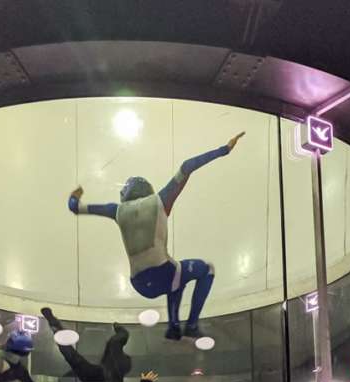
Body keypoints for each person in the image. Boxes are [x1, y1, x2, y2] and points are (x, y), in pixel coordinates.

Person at [67, 132, 245, 340]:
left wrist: (75, 195)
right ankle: (191, 325)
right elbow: (187, 166)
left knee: (177, 276)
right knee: (206, 269)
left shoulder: (116, 210)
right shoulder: (160, 200)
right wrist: (224, 149)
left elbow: (74, 207)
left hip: (139, 283)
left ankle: (173, 328)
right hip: (164, 274)